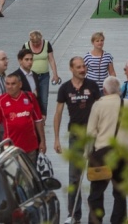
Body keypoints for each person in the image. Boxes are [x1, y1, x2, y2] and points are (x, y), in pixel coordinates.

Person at [53, 57, 101, 223]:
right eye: (79, 67)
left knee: (96, 176)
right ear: (71, 69)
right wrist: (57, 139)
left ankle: (95, 215)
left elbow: (100, 109)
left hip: (93, 137)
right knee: (74, 177)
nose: (83, 69)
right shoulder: (65, 88)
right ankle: (74, 215)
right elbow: (58, 113)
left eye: (84, 66)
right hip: (75, 138)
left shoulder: (92, 86)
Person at [85, 76, 128, 224]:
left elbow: (91, 133)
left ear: (104, 90)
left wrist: (87, 154)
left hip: (102, 154)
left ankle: (96, 220)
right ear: (119, 90)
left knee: (96, 192)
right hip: (123, 154)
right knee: (120, 191)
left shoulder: (98, 105)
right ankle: (118, 220)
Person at [0, 73, 45, 163]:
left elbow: (38, 120)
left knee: (30, 175)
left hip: (30, 147)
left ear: (20, 84)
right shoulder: (0, 101)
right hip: (10, 149)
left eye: (13, 84)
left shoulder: (30, 97)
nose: (9, 87)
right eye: (7, 84)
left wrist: (43, 141)